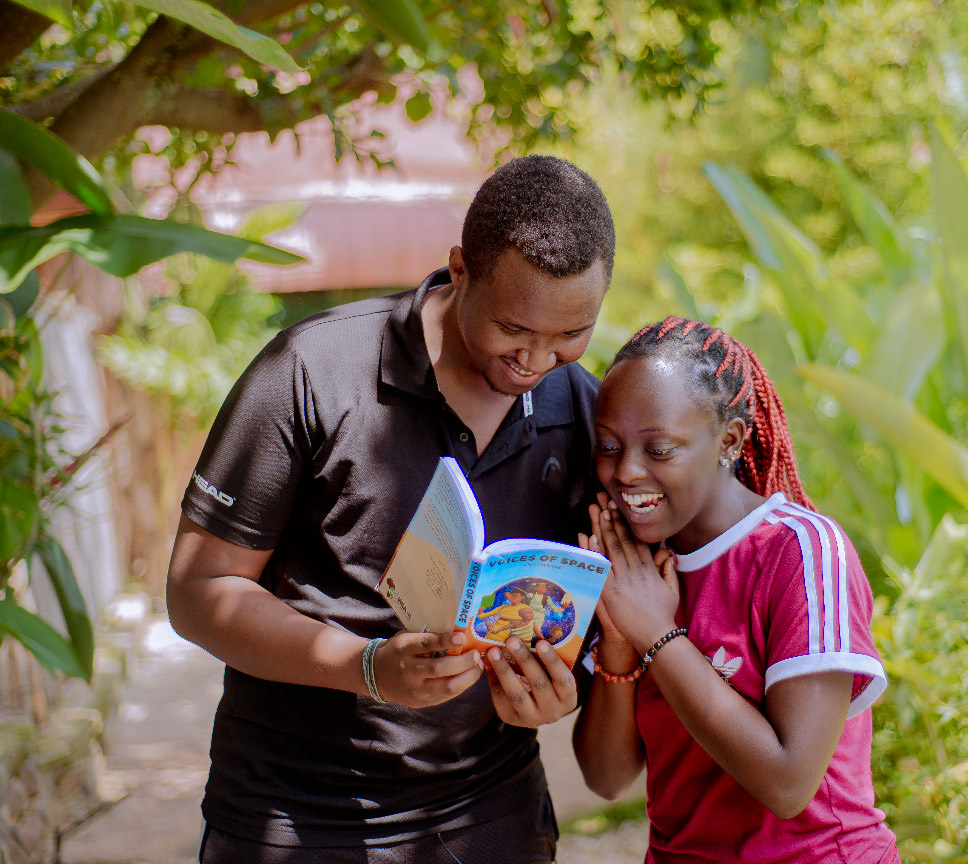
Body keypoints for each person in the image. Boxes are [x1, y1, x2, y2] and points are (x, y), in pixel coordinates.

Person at [166, 155, 616, 864]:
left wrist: (557, 691)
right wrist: (366, 666)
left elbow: (593, 614)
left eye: (569, 336)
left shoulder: (584, 411)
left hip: (490, 814)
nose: (535, 360)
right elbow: (197, 590)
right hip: (296, 814)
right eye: (513, 329)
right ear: (459, 269)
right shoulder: (312, 370)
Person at [573, 317, 898, 864]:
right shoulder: (633, 565)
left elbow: (788, 783)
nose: (625, 471)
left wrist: (656, 633)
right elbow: (606, 778)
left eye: (659, 449)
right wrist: (621, 646)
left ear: (729, 440)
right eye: (608, 446)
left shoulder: (799, 551)